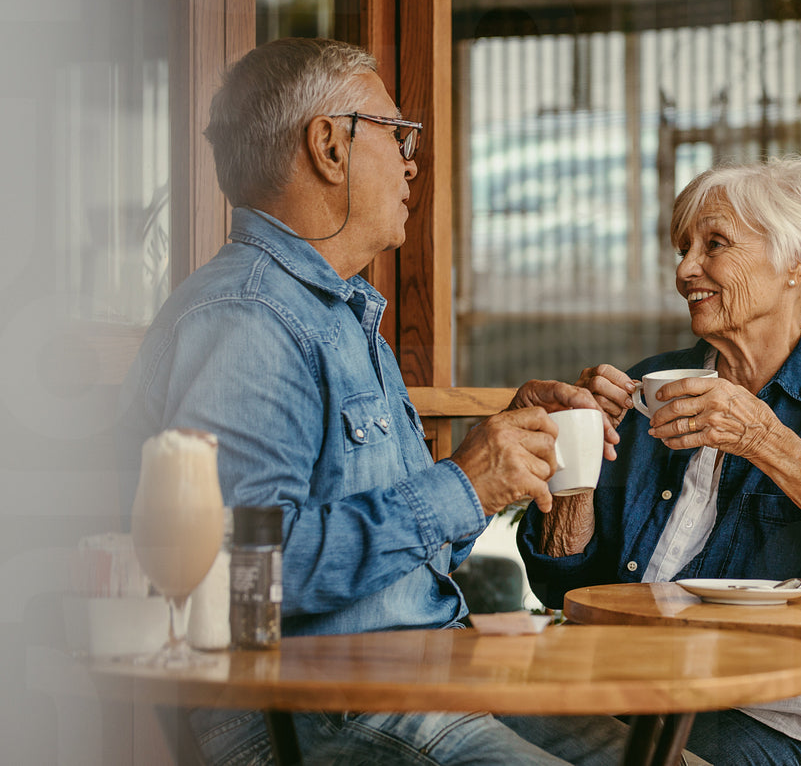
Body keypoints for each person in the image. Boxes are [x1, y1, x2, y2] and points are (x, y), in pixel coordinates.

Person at [118, 37, 626, 765]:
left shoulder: (341, 313)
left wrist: (494, 460)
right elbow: (248, 575)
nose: (412, 159)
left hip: (425, 679)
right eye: (397, 133)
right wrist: (464, 483)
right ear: (328, 145)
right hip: (315, 711)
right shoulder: (248, 319)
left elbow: (411, 549)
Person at [518, 155, 801, 766]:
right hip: (622, 690)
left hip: (767, 722)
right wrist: (578, 460)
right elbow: (562, 586)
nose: (685, 269)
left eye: (714, 244)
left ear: (797, 261)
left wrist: (765, 440)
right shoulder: (651, 386)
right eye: (682, 248)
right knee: (466, 726)